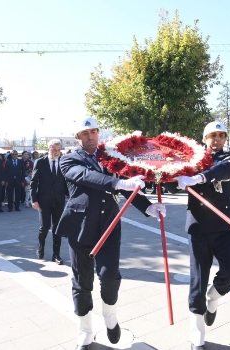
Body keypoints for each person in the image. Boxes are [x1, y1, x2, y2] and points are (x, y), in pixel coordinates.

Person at [56, 117, 166, 350]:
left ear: (99, 134)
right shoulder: (68, 160)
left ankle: (110, 316)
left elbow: (129, 184)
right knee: (82, 281)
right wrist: (118, 184)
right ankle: (84, 331)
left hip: (109, 224)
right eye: (85, 133)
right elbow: (85, 177)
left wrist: (147, 207)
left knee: (109, 276)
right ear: (78, 138)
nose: (90, 136)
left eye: (93, 131)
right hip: (80, 228)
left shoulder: (112, 158)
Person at [173, 120, 230, 350]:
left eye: (221, 135)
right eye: (213, 135)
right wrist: (173, 177)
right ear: (205, 138)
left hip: (225, 225)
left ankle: (214, 297)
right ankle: (196, 336)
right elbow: (173, 181)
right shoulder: (191, 159)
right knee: (197, 281)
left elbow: (224, 171)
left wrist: (199, 177)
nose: (217, 139)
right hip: (199, 227)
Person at [31, 139, 68, 264]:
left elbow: (66, 182)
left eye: (58, 150)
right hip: (44, 201)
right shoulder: (40, 162)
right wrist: (34, 200)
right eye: (54, 150)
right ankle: (40, 247)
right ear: (49, 149)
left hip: (59, 201)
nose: (56, 152)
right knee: (45, 227)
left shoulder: (63, 162)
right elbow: (34, 182)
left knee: (58, 228)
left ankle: (56, 255)